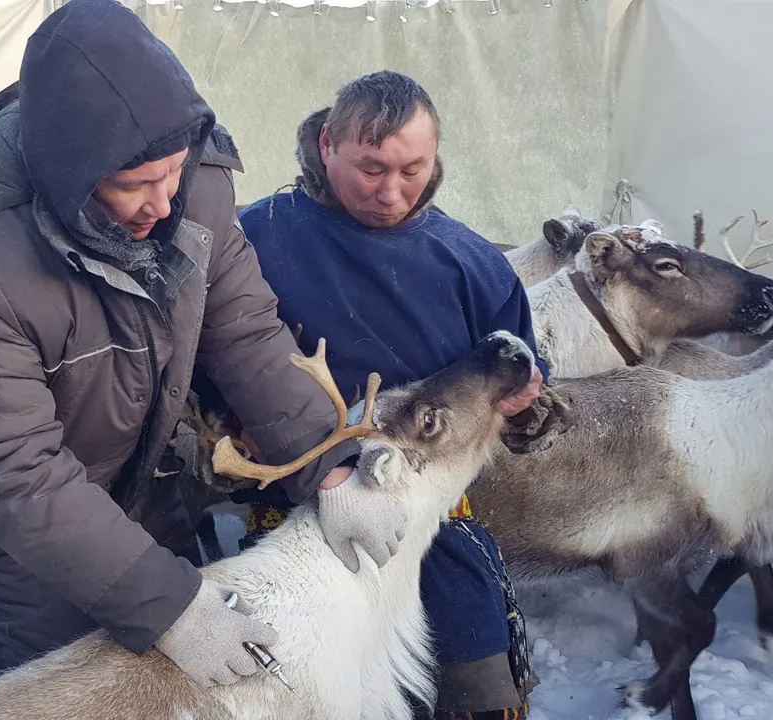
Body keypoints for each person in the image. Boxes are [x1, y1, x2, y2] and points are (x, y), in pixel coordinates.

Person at [0, 0, 407, 686]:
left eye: (173, 173)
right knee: (72, 681)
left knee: (178, 669)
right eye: (133, 185)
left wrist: (331, 468)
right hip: (23, 519)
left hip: (141, 467)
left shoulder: (199, 189)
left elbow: (246, 331)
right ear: (66, 171)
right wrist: (172, 609)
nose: (164, 204)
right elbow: (8, 469)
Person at [234, 70, 549, 719]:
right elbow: (207, 373)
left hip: (437, 533)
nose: (391, 191)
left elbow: (525, 408)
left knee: (479, 701)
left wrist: (524, 411)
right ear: (328, 146)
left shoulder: (475, 264)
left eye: (413, 169)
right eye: (370, 168)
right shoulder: (253, 240)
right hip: (297, 526)